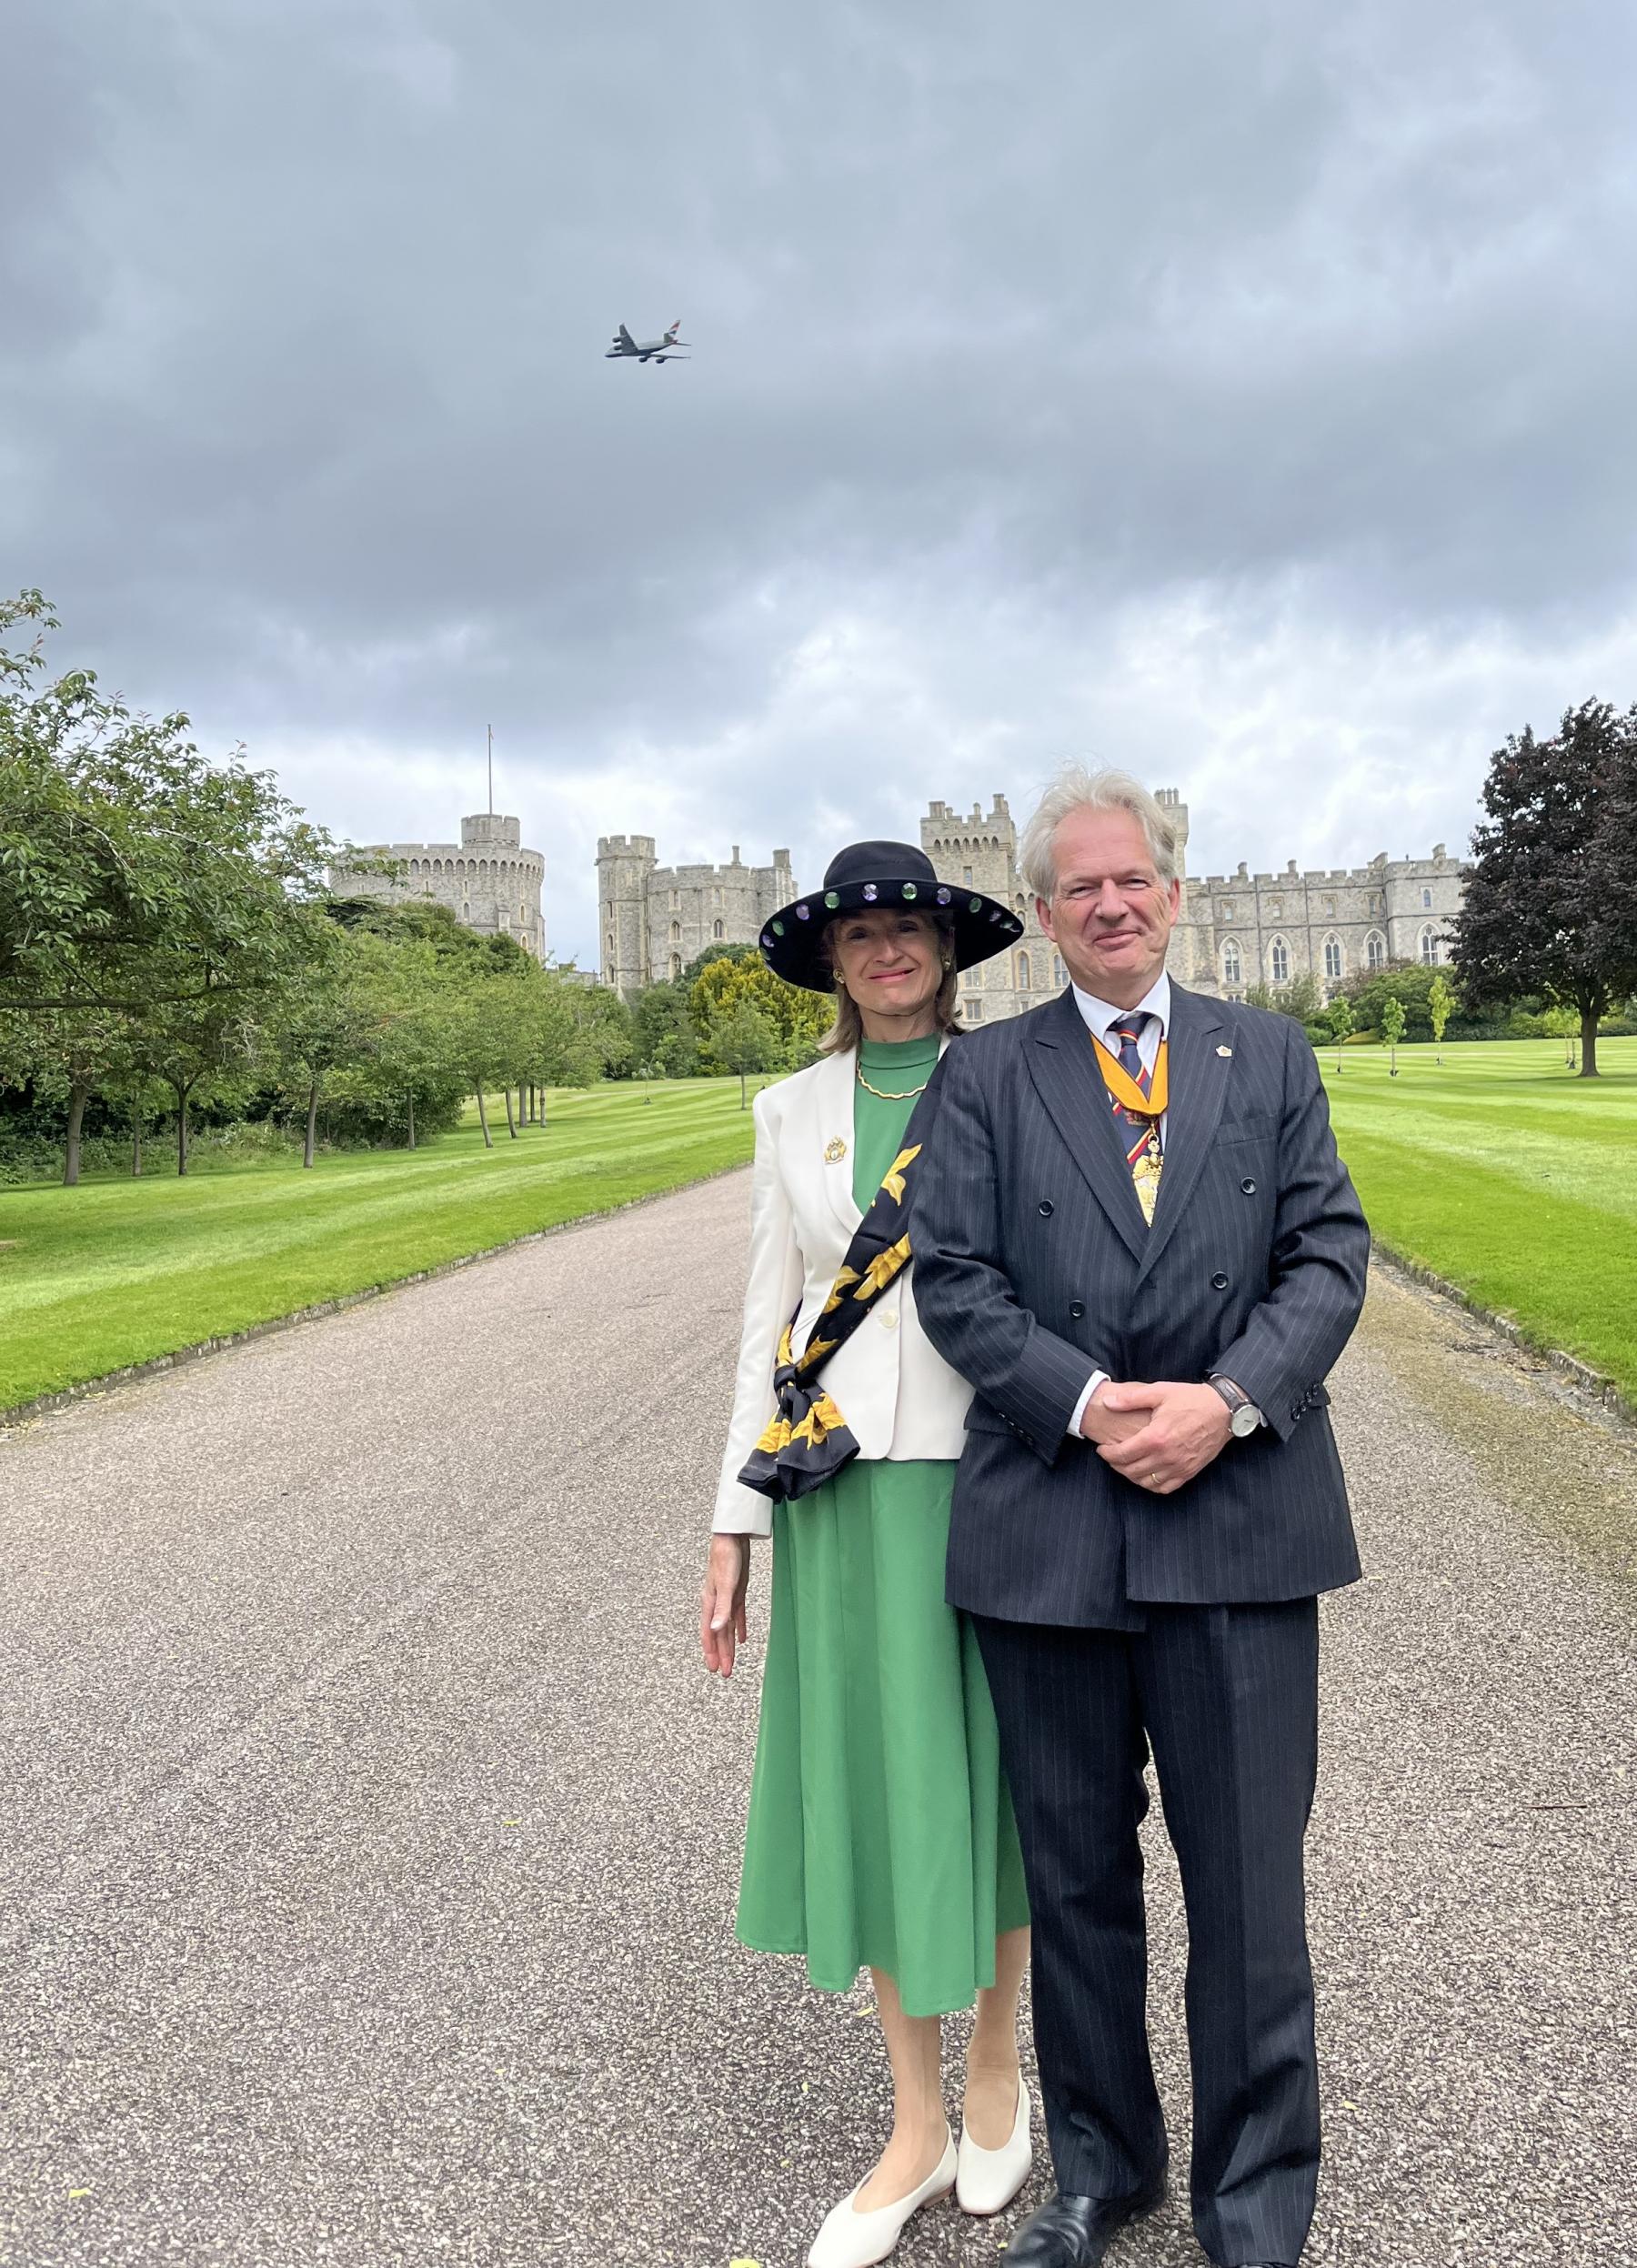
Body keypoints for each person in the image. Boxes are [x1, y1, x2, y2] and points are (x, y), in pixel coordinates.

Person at [913, 768, 1371, 2268]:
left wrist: (1224, 1402)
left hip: (1237, 1521)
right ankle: (1104, 2173)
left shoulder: (1270, 1052)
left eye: (1137, 878)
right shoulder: (985, 1077)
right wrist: (1094, 1399)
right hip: (1052, 1526)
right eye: (1081, 886)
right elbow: (956, 1280)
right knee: (1079, 1882)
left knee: (1247, 1883)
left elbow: (1327, 1254)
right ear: (1044, 913)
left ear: (1175, 891)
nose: (1112, 903)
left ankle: (1257, 2202)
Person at [702, 841, 1035, 2268]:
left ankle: (996, 2073)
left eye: (911, 927)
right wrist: (732, 1517)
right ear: (830, 963)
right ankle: (912, 2121)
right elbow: (769, 1324)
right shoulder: (788, 1109)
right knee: (878, 1786)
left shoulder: (1016, 1082)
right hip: (842, 1497)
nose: (889, 950)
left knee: (1004, 1778)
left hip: (999, 1477)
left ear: (947, 948)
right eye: (863, 935)